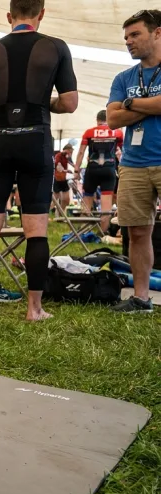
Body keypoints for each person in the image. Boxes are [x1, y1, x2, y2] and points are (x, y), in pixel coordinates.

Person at [0, 0, 78, 321]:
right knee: (36, 229)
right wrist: (41, 104)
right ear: (41, 14)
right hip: (35, 139)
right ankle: (34, 308)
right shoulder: (56, 48)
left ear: (9, 16)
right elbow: (69, 103)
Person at [106, 9, 161, 313]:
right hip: (134, 163)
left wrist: (130, 103)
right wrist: (149, 105)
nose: (128, 41)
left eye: (135, 34)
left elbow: (122, 109)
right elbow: (113, 118)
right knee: (137, 231)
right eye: (126, 37)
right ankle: (141, 297)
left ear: (157, 32)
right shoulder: (124, 77)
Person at [74, 110, 124, 232]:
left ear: (97, 120)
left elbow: (81, 152)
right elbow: (122, 152)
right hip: (109, 169)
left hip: (92, 169)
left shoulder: (89, 132)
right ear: (108, 119)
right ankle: (103, 232)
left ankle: (82, 231)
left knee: (87, 200)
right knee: (106, 204)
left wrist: (76, 169)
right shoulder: (117, 132)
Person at [53, 144, 75, 214]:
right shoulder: (58, 155)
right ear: (67, 150)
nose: (71, 153)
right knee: (54, 199)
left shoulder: (67, 157)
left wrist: (77, 169)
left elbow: (72, 164)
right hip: (58, 179)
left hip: (64, 179)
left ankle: (59, 213)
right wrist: (66, 171)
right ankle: (46, 214)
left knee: (66, 200)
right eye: (70, 151)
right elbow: (58, 167)